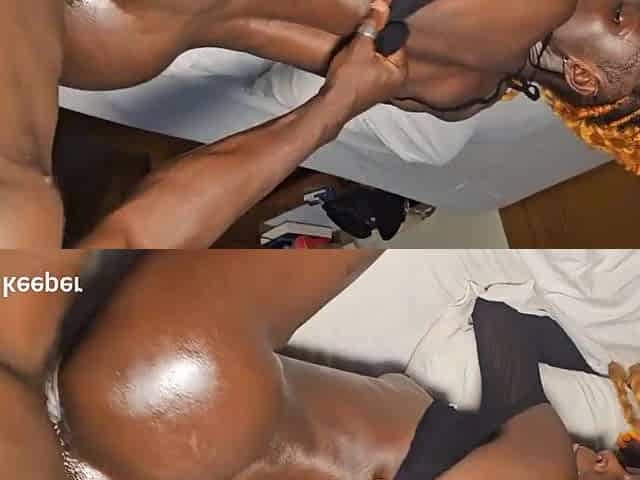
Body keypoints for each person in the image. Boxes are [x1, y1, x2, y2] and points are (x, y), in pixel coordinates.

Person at [4, 0, 640, 248]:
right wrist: (332, 110)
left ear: (583, 77)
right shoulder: (463, 98)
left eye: (618, 14)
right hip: (113, 46)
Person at [29, 251, 636, 480]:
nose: (610, 461)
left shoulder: (544, 464)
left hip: (184, 393)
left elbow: (507, 348)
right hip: (172, 416)